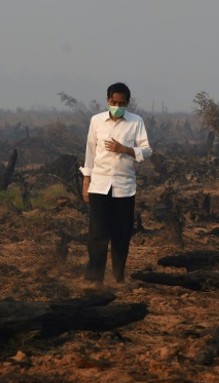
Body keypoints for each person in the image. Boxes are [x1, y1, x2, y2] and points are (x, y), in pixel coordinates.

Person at [79, 82, 152, 288]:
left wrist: (126, 149)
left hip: (124, 186)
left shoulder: (136, 122)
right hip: (99, 184)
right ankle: (94, 279)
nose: (117, 106)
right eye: (114, 102)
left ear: (127, 103)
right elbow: (90, 153)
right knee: (97, 234)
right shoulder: (97, 121)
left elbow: (147, 150)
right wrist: (86, 182)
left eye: (121, 103)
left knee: (121, 234)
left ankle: (118, 277)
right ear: (107, 100)